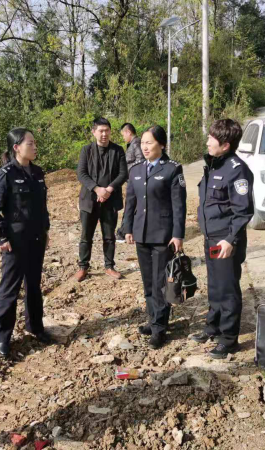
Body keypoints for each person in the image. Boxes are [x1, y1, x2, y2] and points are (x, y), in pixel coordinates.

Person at [0, 128, 52, 357]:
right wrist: (1, 238)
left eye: (34, 143)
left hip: (36, 239)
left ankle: (36, 327)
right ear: (17, 147)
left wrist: (46, 229)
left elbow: (42, 208)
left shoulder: (38, 172)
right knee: (9, 289)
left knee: (34, 286)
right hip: (15, 243)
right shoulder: (5, 174)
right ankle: (3, 338)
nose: (35, 147)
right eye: (30, 143)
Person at [193, 119, 254, 358]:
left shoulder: (236, 169)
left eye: (212, 139)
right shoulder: (214, 165)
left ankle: (229, 339)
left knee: (228, 289)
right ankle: (213, 327)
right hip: (211, 237)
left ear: (226, 145)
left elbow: (243, 211)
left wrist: (230, 239)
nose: (207, 142)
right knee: (215, 286)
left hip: (225, 240)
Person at [123, 125, 187, 349]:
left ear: (162, 144)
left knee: (161, 283)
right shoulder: (136, 170)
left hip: (162, 236)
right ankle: (154, 320)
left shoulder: (172, 169)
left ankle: (159, 328)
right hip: (142, 234)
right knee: (148, 282)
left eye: (149, 143)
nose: (145, 147)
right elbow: (130, 202)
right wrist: (127, 228)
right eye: (143, 143)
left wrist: (178, 234)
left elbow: (179, 206)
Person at [74, 117, 129, 282]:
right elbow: (81, 173)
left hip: (110, 200)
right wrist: (97, 189)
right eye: (100, 131)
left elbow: (123, 174)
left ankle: (109, 266)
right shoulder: (86, 150)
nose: (104, 134)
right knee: (86, 236)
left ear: (110, 131)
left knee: (109, 236)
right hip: (89, 200)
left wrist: (109, 189)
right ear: (94, 132)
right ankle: (83, 267)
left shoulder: (118, 150)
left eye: (107, 130)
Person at [116, 122, 145, 243]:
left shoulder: (136, 143)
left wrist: (127, 169)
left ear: (128, 132)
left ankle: (123, 232)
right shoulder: (132, 144)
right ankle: (125, 231)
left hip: (136, 180)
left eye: (123, 134)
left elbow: (141, 160)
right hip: (132, 180)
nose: (123, 137)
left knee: (130, 206)